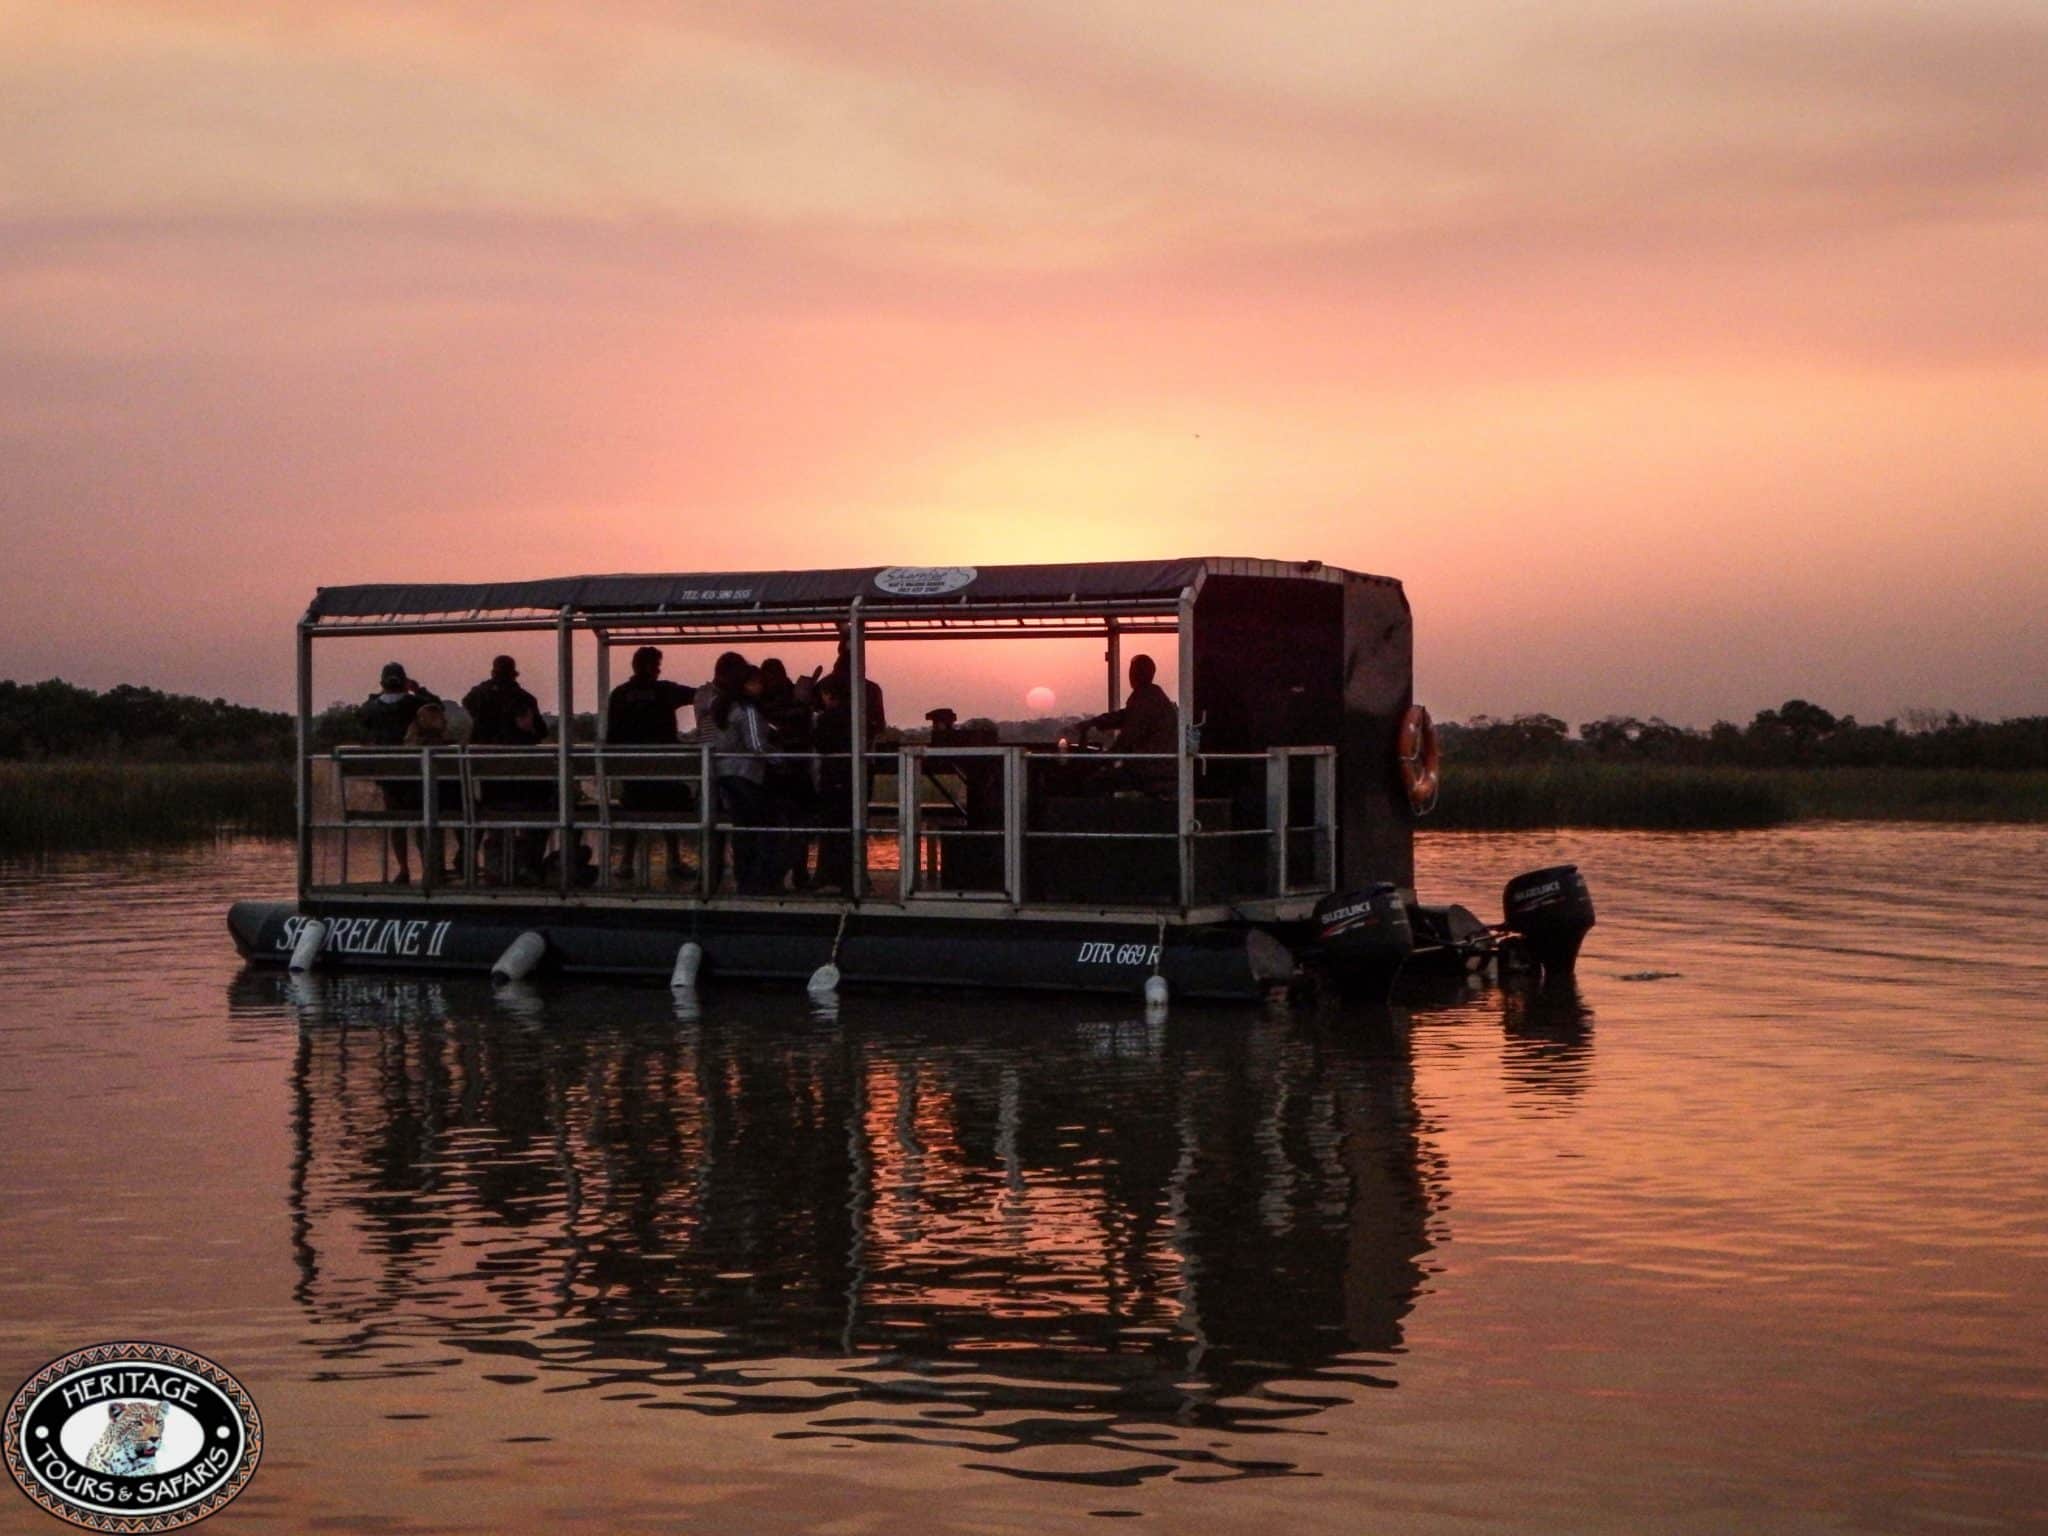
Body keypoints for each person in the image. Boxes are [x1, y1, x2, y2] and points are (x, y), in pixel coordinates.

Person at [605, 645, 695, 882]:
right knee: (675, 797)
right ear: (650, 667)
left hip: (633, 782)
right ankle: (674, 860)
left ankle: (626, 862)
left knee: (634, 804)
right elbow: (697, 694)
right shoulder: (665, 691)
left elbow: (611, 738)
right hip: (665, 780)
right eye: (657, 665)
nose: (658, 670)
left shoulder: (619, 695)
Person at [463, 655, 550, 881]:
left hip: (489, 776)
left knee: (495, 819)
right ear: (514, 674)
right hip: (521, 779)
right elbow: (541, 731)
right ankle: (525, 865)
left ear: (494, 673)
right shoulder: (524, 699)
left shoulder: (481, 696)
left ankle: (497, 868)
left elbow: (467, 701)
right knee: (535, 814)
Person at [358, 662, 438, 884]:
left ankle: (403, 869)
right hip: (415, 773)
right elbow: (436, 708)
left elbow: (362, 718)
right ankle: (428, 867)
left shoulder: (371, 708)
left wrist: (377, 696)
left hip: (387, 776)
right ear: (404, 682)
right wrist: (418, 689)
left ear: (382, 683)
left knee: (396, 820)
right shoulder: (415, 704)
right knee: (422, 819)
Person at [703, 653, 777, 894]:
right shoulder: (748, 710)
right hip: (745, 774)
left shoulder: (720, 707)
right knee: (762, 825)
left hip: (723, 774)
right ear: (745, 685)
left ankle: (743, 878)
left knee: (741, 827)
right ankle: (758, 879)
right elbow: (756, 745)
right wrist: (780, 758)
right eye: (756, 683)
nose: (760, 687)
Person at [757, 657, 818, 890]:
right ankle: (794, 874)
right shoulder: (795, 699)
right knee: (795, 827)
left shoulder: (768, 703)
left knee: (787, 827)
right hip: (791, 771)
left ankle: (783, 875)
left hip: (785, 772)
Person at [1081, 654, 1178, 792]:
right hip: (1158, 766)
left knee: (1093, 782)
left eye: (1134, 671)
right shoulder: (1153, 697)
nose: (1131, 675)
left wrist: (1103, 758)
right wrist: (1094, 722)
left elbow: (1128, 738)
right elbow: (1124, 716)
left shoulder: (1145, 699)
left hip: (1150, 770)